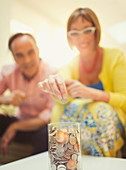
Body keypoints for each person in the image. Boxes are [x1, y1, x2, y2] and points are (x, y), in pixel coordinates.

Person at [39, 8, 126, 157]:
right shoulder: (70, 64)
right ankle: (67, 161)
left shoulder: (115, 56)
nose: (81, 38)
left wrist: (90, 92)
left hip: (104, 126)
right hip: (81, 133)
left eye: (87, 30)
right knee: (64, 111)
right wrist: (57, 87)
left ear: (96, 31)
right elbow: (63, 93)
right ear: (69, 37)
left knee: (100, 110)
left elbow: (123, 99)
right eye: (74, 33)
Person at [0, 33, 56, 158]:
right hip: (20, 121)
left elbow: (48, 115)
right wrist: (5, 99)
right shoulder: (8, 72)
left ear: (37, 51)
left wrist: (15, 126)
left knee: (48, 135)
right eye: (19, 55)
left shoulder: (52, 74)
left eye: (31, 52)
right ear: (14, 57)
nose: (27, 61)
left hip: (41, 127)